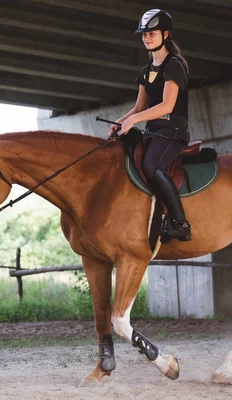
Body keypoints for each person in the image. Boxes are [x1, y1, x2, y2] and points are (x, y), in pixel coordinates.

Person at [109, 9, 191, 242]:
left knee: (152, 165)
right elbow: (139, 107)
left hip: (173, 131)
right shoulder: (146, 72)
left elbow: (167, 106)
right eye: (144, 34)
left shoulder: (173, 65)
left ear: (165, 35)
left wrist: (134, 121)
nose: (146, 37)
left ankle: (180, 222)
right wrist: (120, 121)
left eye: (152, 33)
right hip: (154, 131)